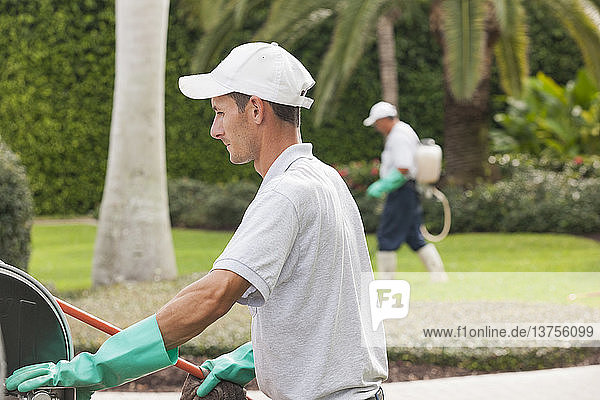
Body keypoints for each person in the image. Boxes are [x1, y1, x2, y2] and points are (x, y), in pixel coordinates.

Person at [6, 42, 387, 400]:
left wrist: (97, 368)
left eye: (220, 112)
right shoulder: (324, 180)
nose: (214, 130)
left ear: (256, 109)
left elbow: (212, 296)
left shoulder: (286, 194)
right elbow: (328, 309)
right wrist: (250, 359)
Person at [363, 101, 448, 282]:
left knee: (386, 235)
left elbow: (403, 167)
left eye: (377, 123)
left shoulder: (398, 136)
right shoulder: (403, 131)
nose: (377, 127)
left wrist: (384, 184)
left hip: (401, 191)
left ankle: (386, 282)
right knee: (413, 236)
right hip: (408, 191)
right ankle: (439, 277)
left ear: (386, 119)